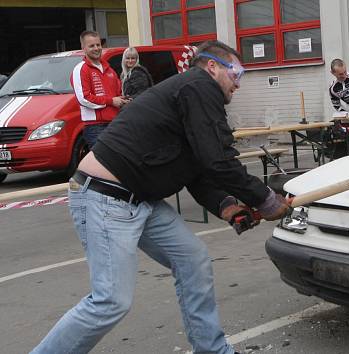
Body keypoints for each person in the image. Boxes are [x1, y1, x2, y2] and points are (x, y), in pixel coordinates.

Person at [31, 40, 289, 354]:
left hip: (140, 199)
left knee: (192, 261)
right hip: (105, 197)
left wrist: (226, 206)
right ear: (212, 66)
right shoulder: (198, 86)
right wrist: (267, 199)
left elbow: (198, 165)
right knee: (110, 300)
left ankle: (211, 350)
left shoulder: (194, 97)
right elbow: (218, 161)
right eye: (235, 71)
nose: (237, 83)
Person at [71, 30, 129, 148]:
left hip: (115, 123)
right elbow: (84, 98)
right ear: (83, 48)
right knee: (103, 163)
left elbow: (117, 94)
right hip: (95, 127)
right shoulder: (81, 69)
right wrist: (111, 101)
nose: (96, 48)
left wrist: (123, 101)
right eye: (91, 46)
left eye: (98, 45)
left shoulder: (109, 69)